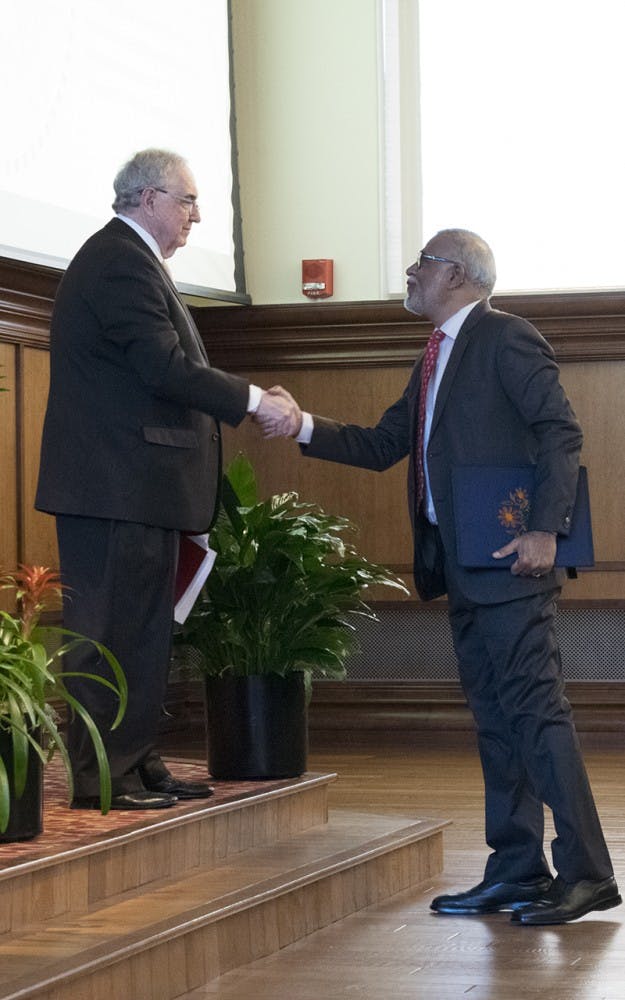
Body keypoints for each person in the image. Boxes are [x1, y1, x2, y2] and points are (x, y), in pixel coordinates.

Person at [257, 228, 621, 925]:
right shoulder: (433, 357)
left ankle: (586, 873)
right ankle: (515, 868)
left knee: (537, 718)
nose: (410, 270)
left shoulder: (504, 338)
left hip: (513, 565)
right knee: (495, 722)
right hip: (461, 568)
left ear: (455, 273)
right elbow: (382, 445)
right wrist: (301, 424)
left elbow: (559, 431)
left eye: (422, 261)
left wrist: (546, 530)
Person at [35, 148, 300, 810]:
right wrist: (251, 402)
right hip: (113, 488)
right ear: (147, 198)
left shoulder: (130, 262)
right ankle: (105, 775)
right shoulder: (119, 261)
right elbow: (162, 368)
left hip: (136, 487)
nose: (195, 217)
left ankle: (136, 761)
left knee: (143, 633)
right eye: (187, 202)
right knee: (109, 636)